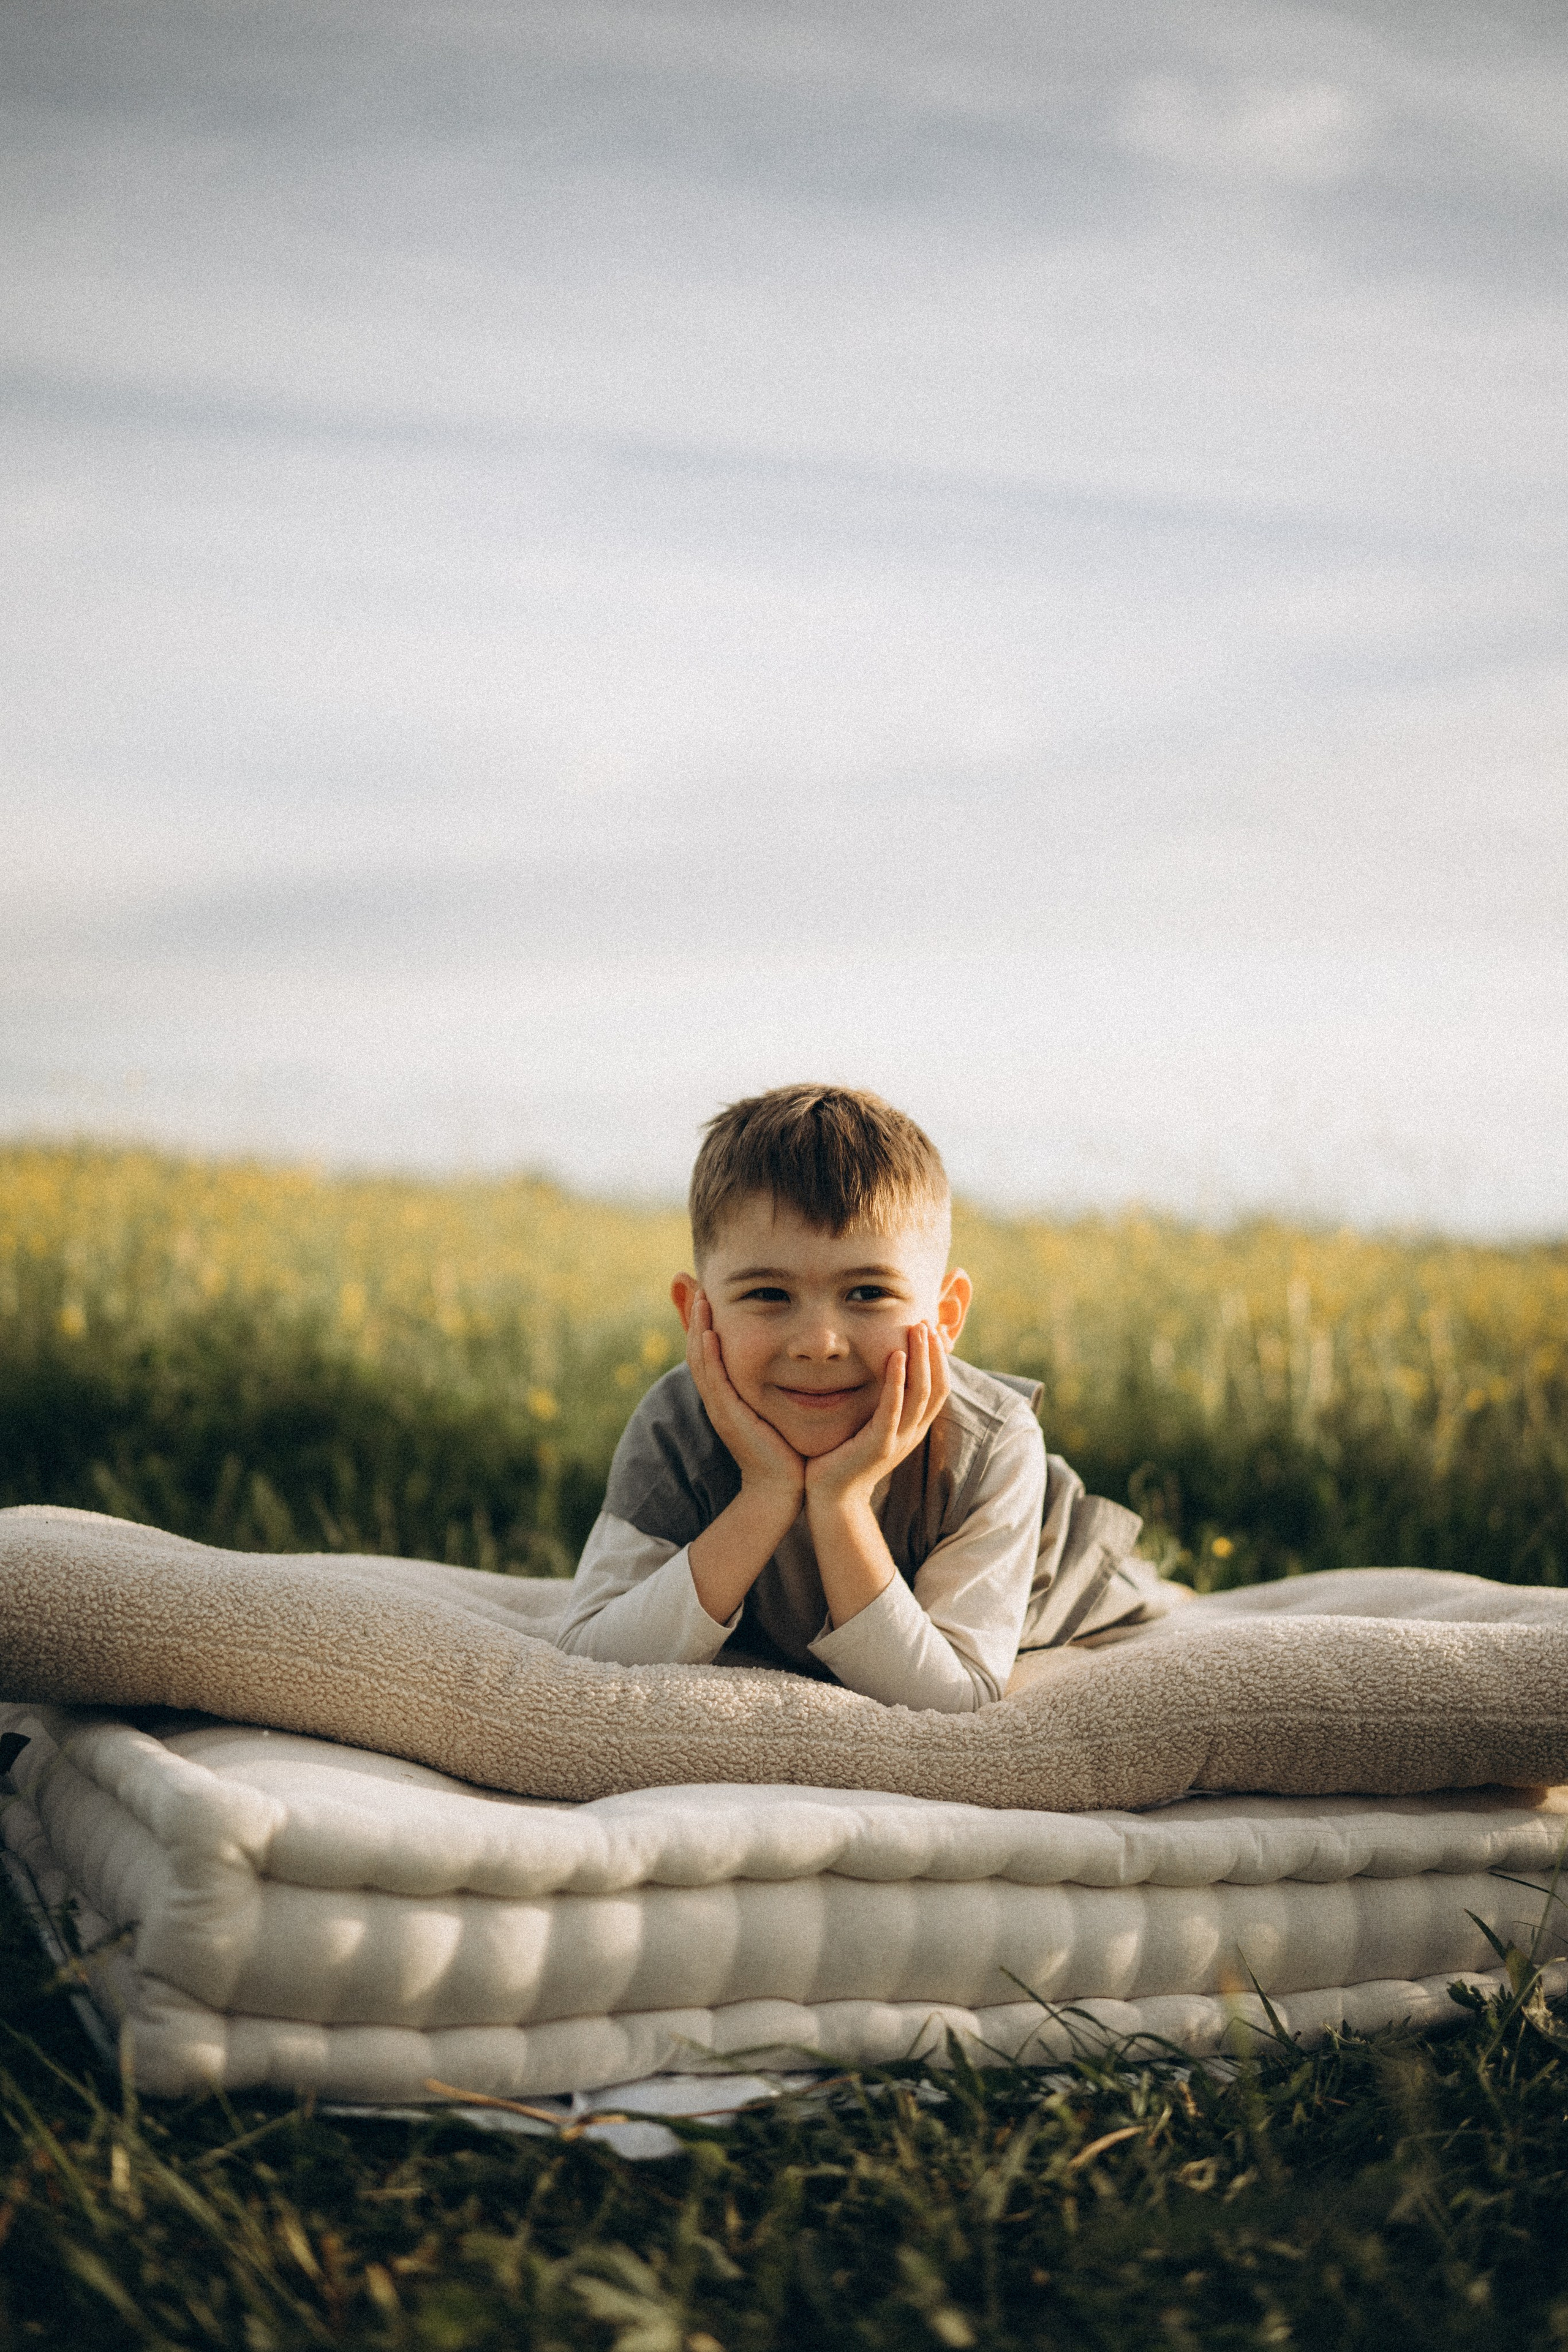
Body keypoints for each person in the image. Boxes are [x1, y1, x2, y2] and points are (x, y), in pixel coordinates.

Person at [553, 1082, 1051, 1712]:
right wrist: (766, 1493)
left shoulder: (993, 1444)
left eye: (868, 1293)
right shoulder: (677, 1425)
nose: (819, 1344)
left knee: (1139, 1588)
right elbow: (588, 1658)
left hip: (1056, 1571)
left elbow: (952, 1697)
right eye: (768, 1294)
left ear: (946, 1316)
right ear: (697, 1314)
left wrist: (839, 1500)